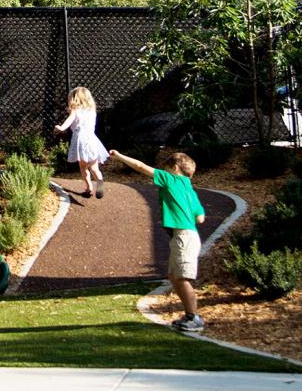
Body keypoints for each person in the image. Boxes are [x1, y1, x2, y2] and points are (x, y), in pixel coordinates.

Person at [109, 148, 208, 332]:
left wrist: (119, 156)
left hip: (183, 237)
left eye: (167, 167)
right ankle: (189, 315)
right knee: (173, 276)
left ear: (175, 167)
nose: (165, 170)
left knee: (181, 278)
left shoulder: (171, 179)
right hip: (189, 236)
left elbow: (141, 166)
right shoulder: (190, 190)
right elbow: (200, 218)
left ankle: (194, 317)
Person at [55, 86, 109, 198]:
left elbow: (69, 121)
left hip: (80, 141)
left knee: (83, 166)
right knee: (94, 167)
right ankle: (99, 181)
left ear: (74, 99)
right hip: (92, 140)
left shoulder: (75, 111)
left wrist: (61, 128)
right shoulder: (92, 111)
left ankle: (89, 187)